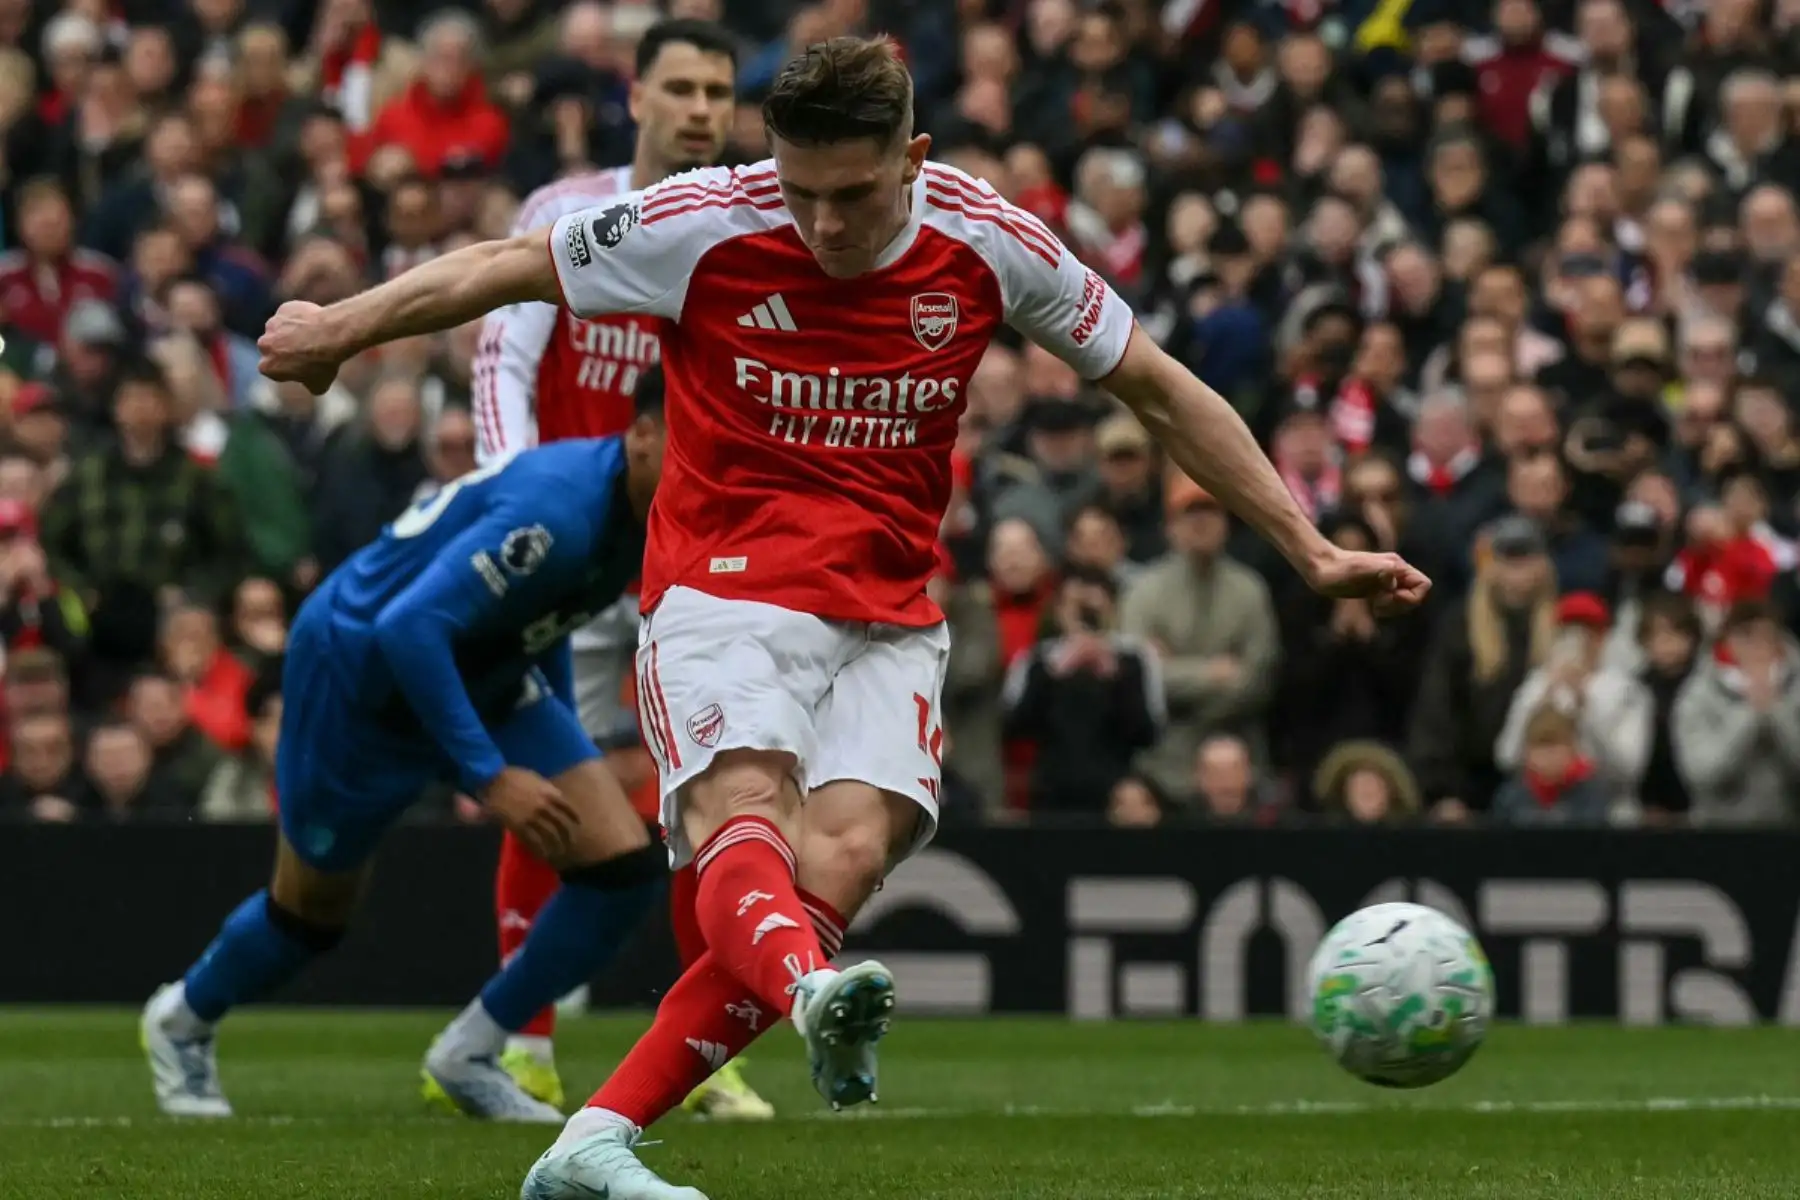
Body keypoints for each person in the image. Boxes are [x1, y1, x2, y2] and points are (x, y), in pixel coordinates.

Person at [255, 36, 1430, 1200]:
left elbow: (1160, 389)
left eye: (854, 192)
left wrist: (1310, 546)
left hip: (890, 605)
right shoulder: (702, 221)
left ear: (913, 155)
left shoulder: (988, 240)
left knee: (850, 851)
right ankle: (809, 989)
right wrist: (338, 329)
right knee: (743, 805)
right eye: (801, 189)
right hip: (723, 585)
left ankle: (591, 1142)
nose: (821, 221)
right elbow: (500, 270)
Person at [140, 381, 671, 1124]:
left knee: (624, 870)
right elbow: (407, 627)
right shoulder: (560, 510)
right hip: (358, 681)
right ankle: (182, 1020)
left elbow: (543, 617)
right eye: (693, 443)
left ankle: (471, 1051)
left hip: (479, 669)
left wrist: (555, 736)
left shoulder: (643, 510)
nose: (707, 464)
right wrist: (489, 775)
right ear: (642, 435)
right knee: (310, 916)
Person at [444, 15, 770, 1124]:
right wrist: (510, 500)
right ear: (632, 97)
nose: (696, 107)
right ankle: (524, 1044)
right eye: (677, 85)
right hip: (572, 558)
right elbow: (503, 350)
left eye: (715, 90)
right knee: (546, 791)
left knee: (711, 796)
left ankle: (705, 1049)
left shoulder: (745, 229)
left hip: (695, 559)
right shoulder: (564, 217)